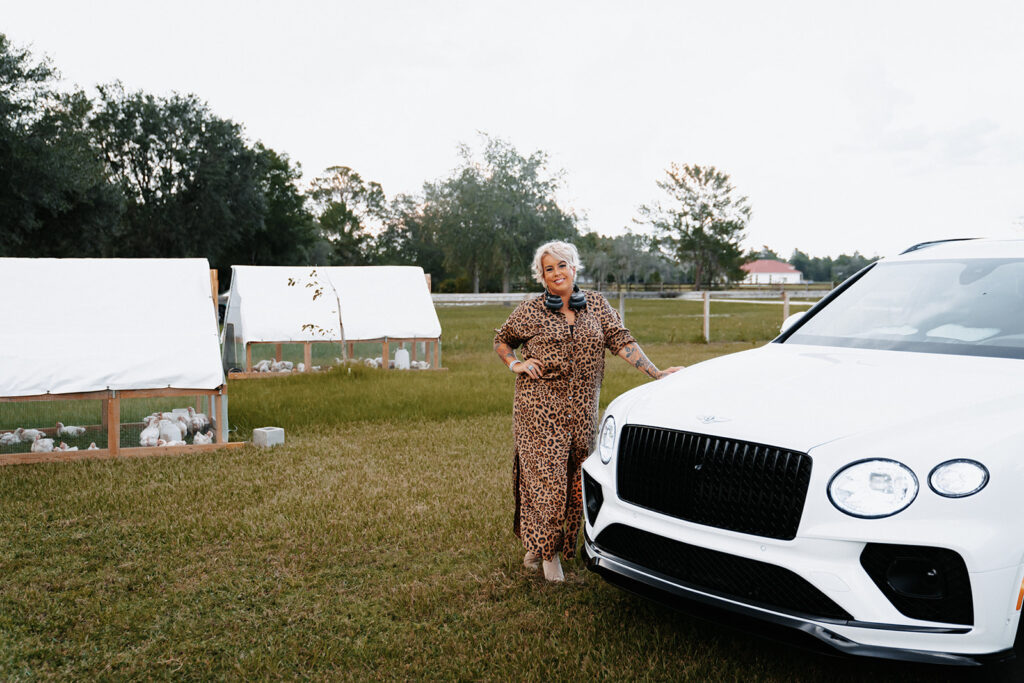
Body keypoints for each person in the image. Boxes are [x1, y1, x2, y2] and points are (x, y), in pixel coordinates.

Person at [493, 241, 683, 582]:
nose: (556, 273)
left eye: (561, 265)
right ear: (542, 276)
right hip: (538, 410)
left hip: (582, 414)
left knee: (573, 484)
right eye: (548, 269)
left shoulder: (596, 305)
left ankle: (537, 546)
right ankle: (550, 557)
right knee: (547, 484)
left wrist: (655, 372)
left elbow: (622, 341)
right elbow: (502, 340)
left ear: (574, 268)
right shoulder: (531, 310)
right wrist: (516, 364)